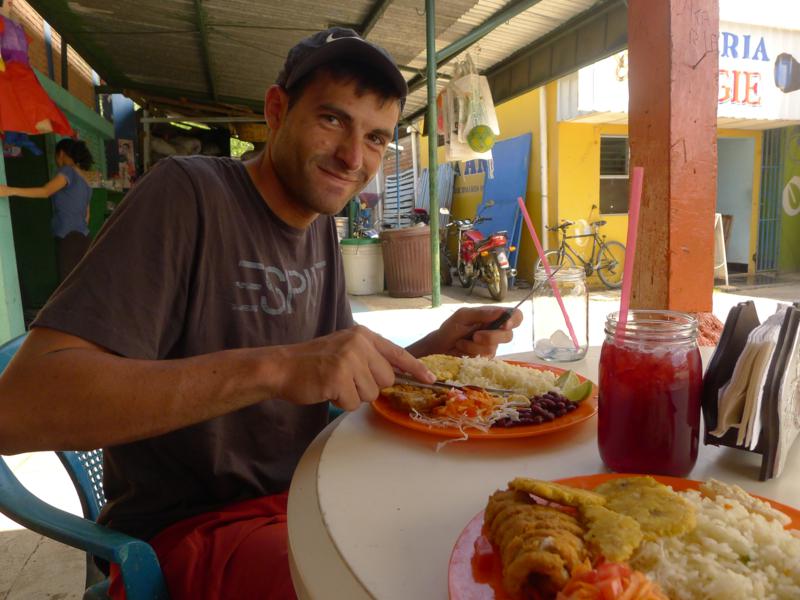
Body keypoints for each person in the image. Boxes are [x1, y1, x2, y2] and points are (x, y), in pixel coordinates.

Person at [0, 27, 522, 600]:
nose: (354, 157)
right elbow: (18, 409)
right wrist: (272, 368)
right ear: (277, 111)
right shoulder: (187, 195)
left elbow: (323, 368)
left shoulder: (318, 222)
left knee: (481, 540)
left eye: (375, 138)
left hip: (307, 496)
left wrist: (430, 350)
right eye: (332, 120)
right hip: (193, 532)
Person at [0, 137, 94, 282]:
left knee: (67, 286)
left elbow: (45, 191)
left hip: (69, 238)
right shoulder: (86, 180)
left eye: (55, 156)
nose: (56, 161)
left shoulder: (67, 171)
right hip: (84, 239)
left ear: (61, 154)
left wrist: (9, 190)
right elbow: (87, 216)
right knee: (79, 284)